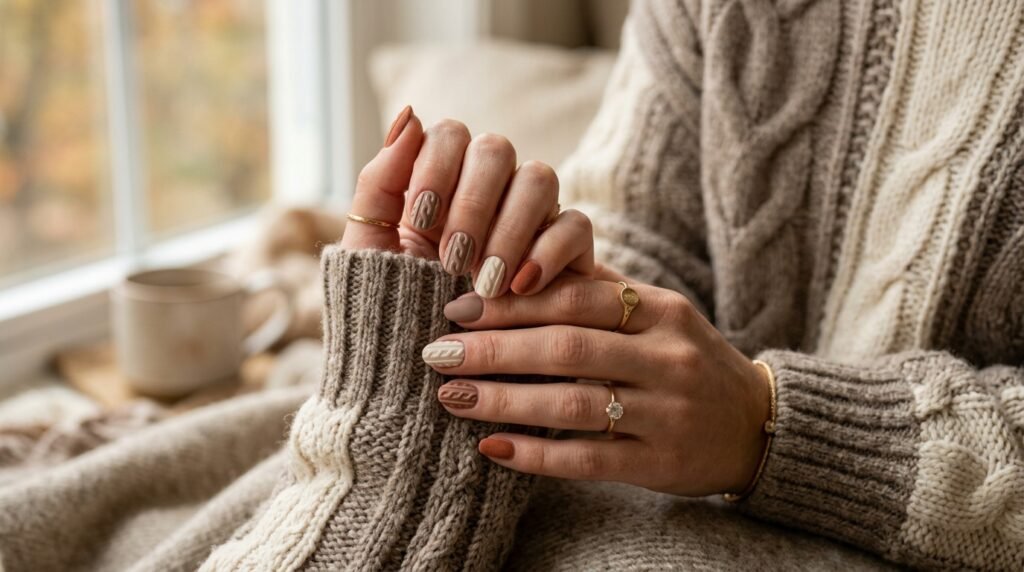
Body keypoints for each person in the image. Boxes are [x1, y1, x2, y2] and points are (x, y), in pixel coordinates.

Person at [2, 1, 1022, 570]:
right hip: (638, 475)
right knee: (153, 477)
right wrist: (534, 304)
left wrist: (771, 425)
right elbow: (644, 233)